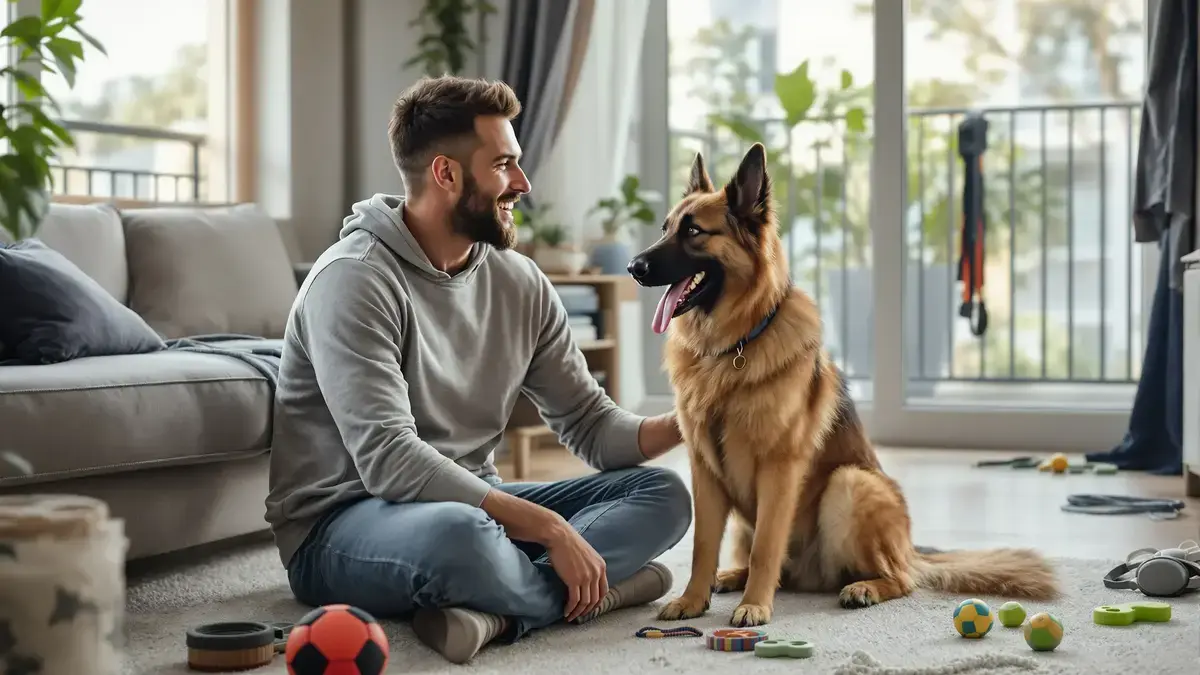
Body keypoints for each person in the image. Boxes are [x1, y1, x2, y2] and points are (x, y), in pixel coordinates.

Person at [263, 75, 692, 664]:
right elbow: (388, 460)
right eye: (504, 165)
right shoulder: (354, 279)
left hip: (476, 502)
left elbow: (591, 427)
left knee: (663, 494)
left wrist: (691, 420)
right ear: (446, 173)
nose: (522, 183)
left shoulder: (518, 281)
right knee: (461, 540)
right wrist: (550, 530)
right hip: (339, 526)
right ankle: (608, 591)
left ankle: (497, 611)